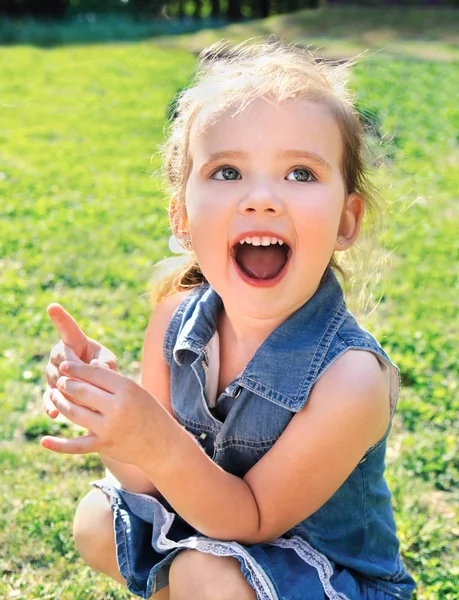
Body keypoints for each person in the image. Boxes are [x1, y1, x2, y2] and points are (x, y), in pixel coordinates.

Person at [41, 40, 416, 600]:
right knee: (99, 521)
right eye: (227, 172)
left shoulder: (351, 378)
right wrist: (114, 417)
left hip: (334, 581)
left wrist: (156, 437)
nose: (261, 198)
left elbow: (251, 518)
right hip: (216, 548)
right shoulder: (174, 320)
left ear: (345, 219)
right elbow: (148, 480)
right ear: (182, 216)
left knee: (202, 572)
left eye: (299, 174)